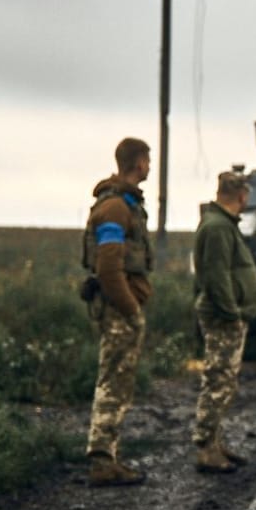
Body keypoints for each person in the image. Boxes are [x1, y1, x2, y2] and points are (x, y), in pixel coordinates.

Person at [82, 137, 155, 487]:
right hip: (118, 310)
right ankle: (101, 460)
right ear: (138, 163)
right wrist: (129, 309)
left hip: (122, 308)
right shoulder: (114, 209)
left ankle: (108, 457)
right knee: (113, 382)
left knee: (119, 382)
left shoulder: (125, 205)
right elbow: (109, 266)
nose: (149, 167)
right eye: (147, 160)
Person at [190, 171, 256, 474]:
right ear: (241, 196)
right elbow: (216, 276)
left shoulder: (221, 224)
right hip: (223, 317)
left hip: (226, 314)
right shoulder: (219, 227)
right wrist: (232, 312)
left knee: (224, 380)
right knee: (218, 379)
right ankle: (206, 447)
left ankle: (215, 442)